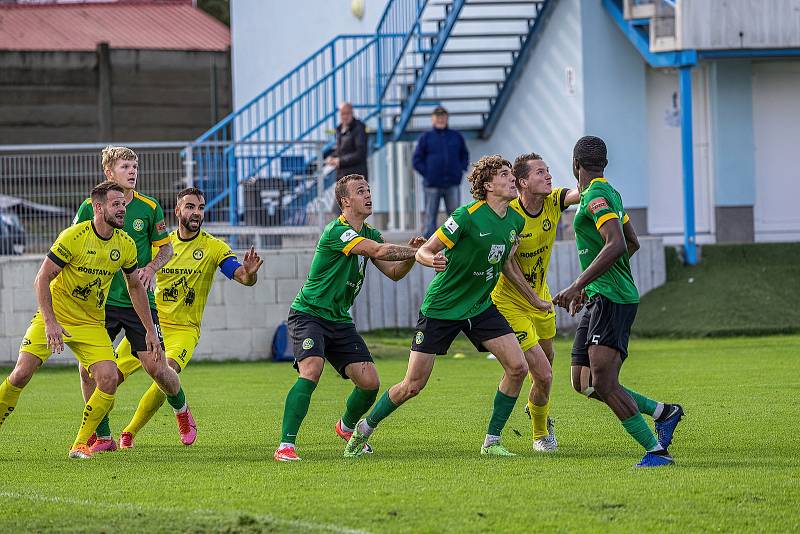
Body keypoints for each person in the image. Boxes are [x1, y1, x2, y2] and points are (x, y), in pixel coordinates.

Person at [344, 155, 528, 458]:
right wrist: (433, 260)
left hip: (480, 307)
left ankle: (492, 442)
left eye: (512, 174)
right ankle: (364, 429)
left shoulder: (514, 221)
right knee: (412, 385)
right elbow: (425, 251)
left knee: (518, 367)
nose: (512, 179)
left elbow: (506, 261)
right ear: (488, 185)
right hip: (442, 309)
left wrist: (533, 299)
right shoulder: (466, 215)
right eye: (505, 175)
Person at [0, 181, 160, 459]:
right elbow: (42, 279)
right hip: (56, 315)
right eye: (116, 204)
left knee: (108, 378)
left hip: (90, 323)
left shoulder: (125, 244)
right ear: (98, 208)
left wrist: (149, 330)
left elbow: (136, 287)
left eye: (123, 204)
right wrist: (50, 322)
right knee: (22, 373)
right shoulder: (73, 236)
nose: (123, 209)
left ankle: (80, 444)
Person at [552, 135, 684, 468]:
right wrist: (592, 285)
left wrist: (578, 283)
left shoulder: (595, 196)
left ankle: (656, 452)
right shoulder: (611, 192)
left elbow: (617, 244)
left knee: (604, 383)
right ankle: (663, 412)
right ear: (604, 164)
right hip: (601, 296)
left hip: (612, 300)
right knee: (582, 382)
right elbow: (632, 241)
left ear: (575, 164)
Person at [274, 174, 424, 462]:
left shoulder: (370, 234)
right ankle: (285, 446)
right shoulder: (337, 231)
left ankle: (345, 427)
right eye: (360, 191)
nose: (368, 194)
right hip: (309, 314)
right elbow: (380, 251)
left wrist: (409, 258)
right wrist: (420, 251)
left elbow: (393, 273)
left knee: (370, 383)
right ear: (345, 201)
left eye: (368, 189)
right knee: (312, 369)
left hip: (339, 320)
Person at [109, 187, 264, 448]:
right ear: (177, 211)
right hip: (152, 325)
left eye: (201, 207)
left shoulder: (214, 247)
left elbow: (242, 277)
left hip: (184, 329)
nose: (197, 212)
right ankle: (97, 435)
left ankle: (129, 432)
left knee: (165, 373)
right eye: (190, 207)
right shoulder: (162, 247)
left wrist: (250, 274)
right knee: (110, 376)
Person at [73, 146, 194, 453]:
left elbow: (166, 248)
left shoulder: (149, 207)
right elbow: (73, 244)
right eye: (125, 166)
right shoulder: (91, 208)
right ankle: (102, 436)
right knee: (89, 371)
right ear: (108, 172)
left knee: (157, 368)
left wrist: (152, 267)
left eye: (134, 166)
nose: (132, 171)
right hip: (100, 303)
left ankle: (182, 411)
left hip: (138, 301)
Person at [491, 152, 580, 452]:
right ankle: (541, 435)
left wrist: (597, 183)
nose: (548, 177)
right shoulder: (511, 214)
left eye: (548, 171)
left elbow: (577, 194)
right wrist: (532, 298)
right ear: (523, 182)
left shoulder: (553, 202)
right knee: (544, 374)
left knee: (545, 370)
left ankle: (535, 406)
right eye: (540, 173)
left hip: (541, 300)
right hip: (510, 303)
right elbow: (507, 264)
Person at [412, 106, 470, 238]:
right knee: (430, 218)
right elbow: (416, 160)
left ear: (447, 118)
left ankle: (456, 242)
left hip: (452, 184)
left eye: (443, 117)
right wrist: (428, 174)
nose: (440, 119)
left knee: (455, 216)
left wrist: (460, 170)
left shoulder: (456, 136)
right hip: (432, 185)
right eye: (438, 117)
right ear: (432, 119)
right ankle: (427, 246)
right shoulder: (426, 137)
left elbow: (464, 155)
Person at [326, 102, 368, 180]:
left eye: (347, 113)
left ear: (352, 113)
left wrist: (340, 161)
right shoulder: (339, 129)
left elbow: (360, 153)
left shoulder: (359, 128)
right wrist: (332, 157)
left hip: (356, 178)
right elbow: (341, 150)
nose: (345, 116)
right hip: (342, 177)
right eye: (343, 114)